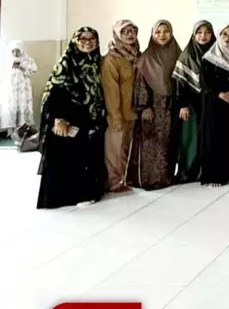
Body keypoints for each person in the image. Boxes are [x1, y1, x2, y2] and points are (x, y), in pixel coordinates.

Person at [36, 28, 106, 209]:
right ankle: (64, 198)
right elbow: (54, 91)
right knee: (66, 159)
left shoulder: (98, 62)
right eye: (83, 38)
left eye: (92, 39)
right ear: (75, 41)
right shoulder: (66, 62)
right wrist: (58, 118)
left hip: (90, 119)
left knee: (86, 158)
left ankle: (87, 193)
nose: (88, 42)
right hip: (68, 118)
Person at [128, 20, 181, 190]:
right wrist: (144, 107)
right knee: (152, 144)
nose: (162, 35)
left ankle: (166, 177)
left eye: (166, 31)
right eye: (158, 32)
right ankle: (149, 179)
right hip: (153, 107)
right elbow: (139, 84)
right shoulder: (145, 58)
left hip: (173, 106)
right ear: (152, 34)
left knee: (169, 142)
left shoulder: (178, 54)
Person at [200, 24, 229, 187]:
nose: (228, 38)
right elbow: (204, 83)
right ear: (219, 37)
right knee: (216, 138)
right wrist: (221, 94)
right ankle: (215, 176)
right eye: (224, 34)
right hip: (215, 104)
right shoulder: (209, 57)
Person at [173, 20, 216, 183]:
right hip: (191, 104)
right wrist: (182, 105)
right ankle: (188, 172)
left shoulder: (217, 54)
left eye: (207, 32)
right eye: (199, 32)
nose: (203, 36)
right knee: (190, 140)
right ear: (193, 35)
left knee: (209, 138)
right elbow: (179, 82)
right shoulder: (186, 55)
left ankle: (207, 170)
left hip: (211, 103)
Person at [102, 19, 140, 192]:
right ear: (116, 35)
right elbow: (111, 90)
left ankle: (123, 180)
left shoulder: (136, 55)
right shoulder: (111, 59)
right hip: (117, 113)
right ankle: (114, 182)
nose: (130, 35)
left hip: (132, 112)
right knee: (115, 150)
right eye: (125, 32)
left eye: (133, 31)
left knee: (125, 149)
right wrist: (115, 115)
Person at [0, 40, 38, 132]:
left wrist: (22, 67)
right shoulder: (7, 60)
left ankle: (22, 131)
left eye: (17, 50)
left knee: (23, 106)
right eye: (13, 51)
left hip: (23, 89)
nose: (15, 53)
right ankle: (11, 131)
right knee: (12, 107)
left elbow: (34, 69)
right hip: (11, 89)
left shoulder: (27, 59)